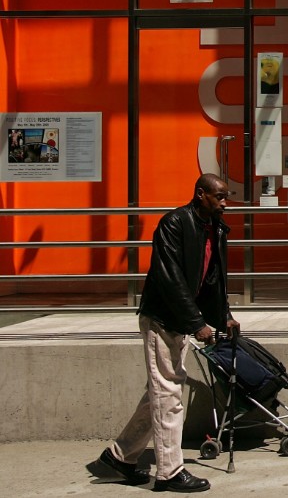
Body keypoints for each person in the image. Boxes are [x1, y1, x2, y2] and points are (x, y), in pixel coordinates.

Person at [90, 174, 238, 492]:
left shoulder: (216, 228)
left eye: (226, 196)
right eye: (219, 197)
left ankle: (118, 458)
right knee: (168, 396)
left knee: (159, 392)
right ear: (201, 194)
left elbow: (213, 279)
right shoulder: (174, 223)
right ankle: (170, 472)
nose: (225, 203)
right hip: (163, 319)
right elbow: (169, 277)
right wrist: (197, 323)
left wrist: (222, 316)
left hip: (182, 321)